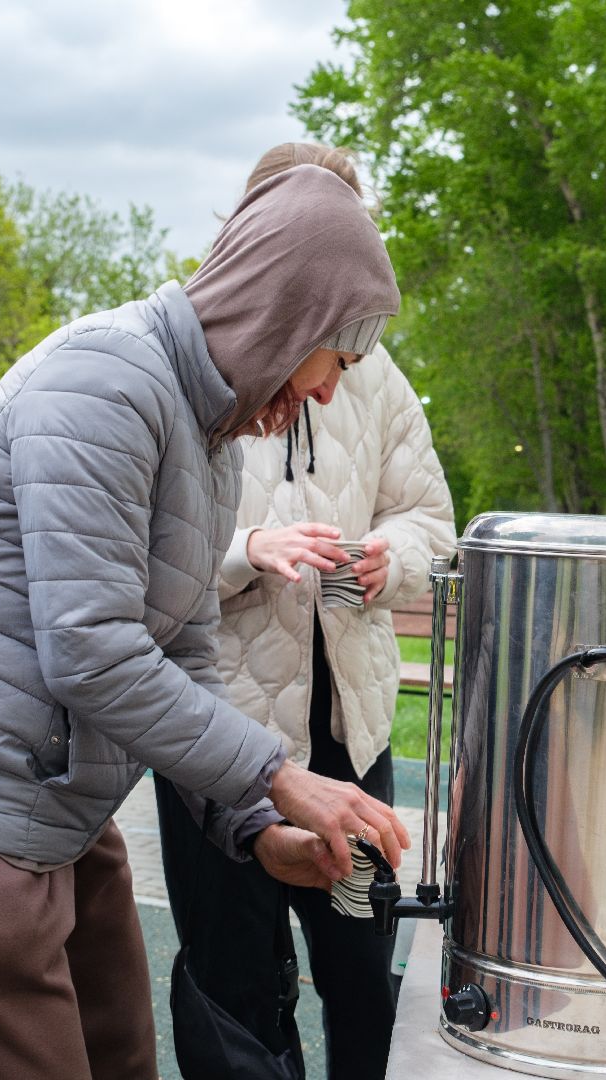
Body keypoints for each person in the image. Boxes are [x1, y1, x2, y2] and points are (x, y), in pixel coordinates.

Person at [0, 162, 413, 1080]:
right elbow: (92, 654)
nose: (330, 395)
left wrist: (257, 822)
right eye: (334, 362)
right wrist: (282, 774)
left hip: (57, 815)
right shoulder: (105, 382)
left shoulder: (206, 428)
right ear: (282, 312)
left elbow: (179, 650)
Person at [155, 142, 455, 1080]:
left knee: (361, 970)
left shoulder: (377, 374)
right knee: (234, 974)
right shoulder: (195, 363)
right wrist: (250, 554)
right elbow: (147, 566)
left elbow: (432, 519)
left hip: (347, 724)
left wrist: (386, 559)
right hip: (220, 727)